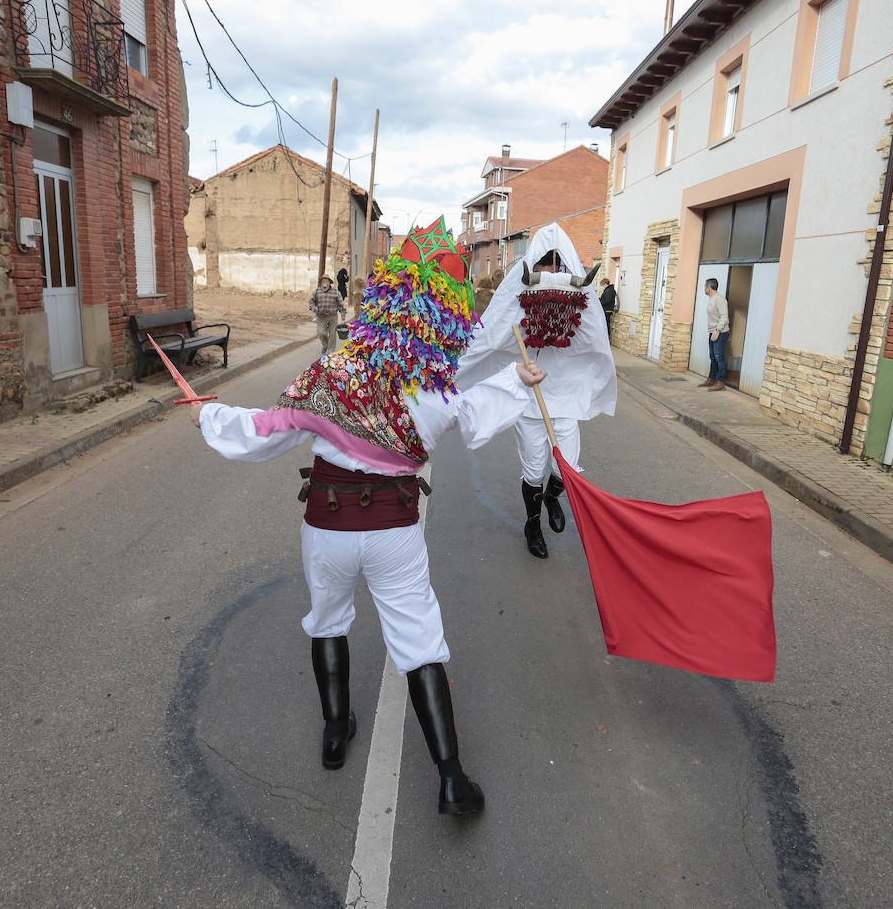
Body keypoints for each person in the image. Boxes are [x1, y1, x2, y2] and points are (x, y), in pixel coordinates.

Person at [191, 218, 545, 817]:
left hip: (326, 531)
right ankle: (451, 776)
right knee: (418, 638)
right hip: (396, 533)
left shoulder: (330, 372)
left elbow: (262, 432)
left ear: (384, 297)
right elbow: (476, 413)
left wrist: (209, 416)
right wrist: (517, 376)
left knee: (328, 620)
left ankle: (336, 733)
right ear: (443, 317)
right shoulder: (432, 392)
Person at [458, 223, 617, 559]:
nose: (552, 271)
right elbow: (492, 334)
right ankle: (533, 524)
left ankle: (552, 497)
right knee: (533, 469)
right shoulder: (516, 291)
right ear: (534, 263)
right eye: (545, 263)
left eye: (559, 265)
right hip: (529, 400)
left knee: (566, 470)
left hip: (567, 396)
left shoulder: (582, 299)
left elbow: (595, 340)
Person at [308, 273, 345, 355]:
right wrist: (314, 309)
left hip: (332, 316)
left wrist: (343, 313)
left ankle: (330, 350)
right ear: (321, 283)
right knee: (321, 333)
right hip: (321, 316)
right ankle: (326, 345)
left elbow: (341, 304)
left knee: (332, 334)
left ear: (329, 283)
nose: (325, 283)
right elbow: (311, 302)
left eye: (326, 281)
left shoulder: (335, 292)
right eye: (323, 281)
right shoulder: (317, 292)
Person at [703, 277, 729, 391]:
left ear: (709, 287)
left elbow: (724, 316)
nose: (704, 289)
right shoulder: (712, 298)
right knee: (713, 357)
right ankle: (711, 379)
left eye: (705, 286)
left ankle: (721, 382)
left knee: (719, 357)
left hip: (720, 333)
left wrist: (717, 330)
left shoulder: (719, 299)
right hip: (712, 332)